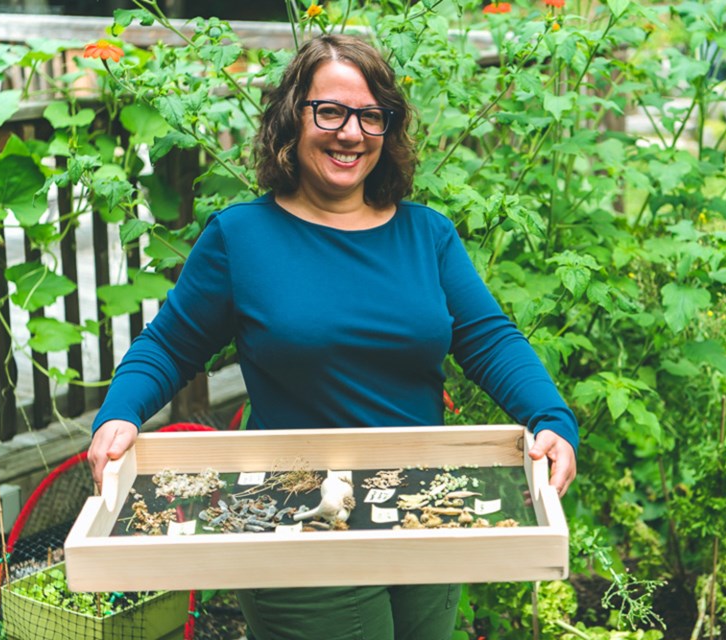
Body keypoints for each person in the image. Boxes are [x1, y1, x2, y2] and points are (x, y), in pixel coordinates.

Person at [88, 33, 578, 640]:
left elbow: (489, 339)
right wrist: (119, 414)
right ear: (291, 118)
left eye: (371, 116)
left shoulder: (428, 236)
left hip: (425, 509)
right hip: (295, 518)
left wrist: (551, 418)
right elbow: (168, 346)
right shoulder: (241, 238)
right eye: (331, 111)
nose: (350, 132)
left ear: (388, 130)